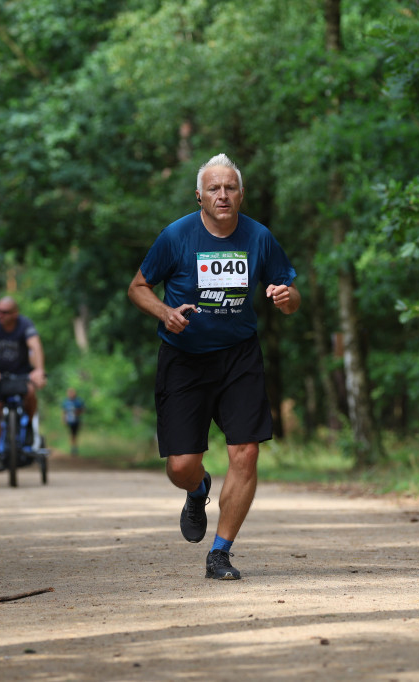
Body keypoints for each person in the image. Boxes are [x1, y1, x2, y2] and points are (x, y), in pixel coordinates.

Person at [127, 153, 301, 580]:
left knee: (245, 452)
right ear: (199, 197)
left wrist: (286, 298)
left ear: (240, 194)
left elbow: (292, 294)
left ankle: (220, 553)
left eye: (230, 188)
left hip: (239, 355)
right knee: (181, 466)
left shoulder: (259, 237)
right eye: (213, 189)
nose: (222, 195)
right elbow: (137, 287)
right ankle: (198, 488)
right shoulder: (177, 236)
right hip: (184, 358)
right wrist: (164, 312)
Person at [0, 296, 46, 469]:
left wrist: (38, 370)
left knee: (30, 393)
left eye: (5, 312)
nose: (0, 315)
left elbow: (35, 346)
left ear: (15, 313)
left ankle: (29, 424)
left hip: (22, 372)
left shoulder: (25, 324)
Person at [61, 387, 86, 455]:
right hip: (70, 421)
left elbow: (83, 409)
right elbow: (64, 411)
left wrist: (77, 412)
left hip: (76, 420)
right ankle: (73, 448)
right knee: (72, 434)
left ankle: (75, 447)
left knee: (75, 434)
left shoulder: (78, 401)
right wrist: (64, 419)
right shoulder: (66, 402)